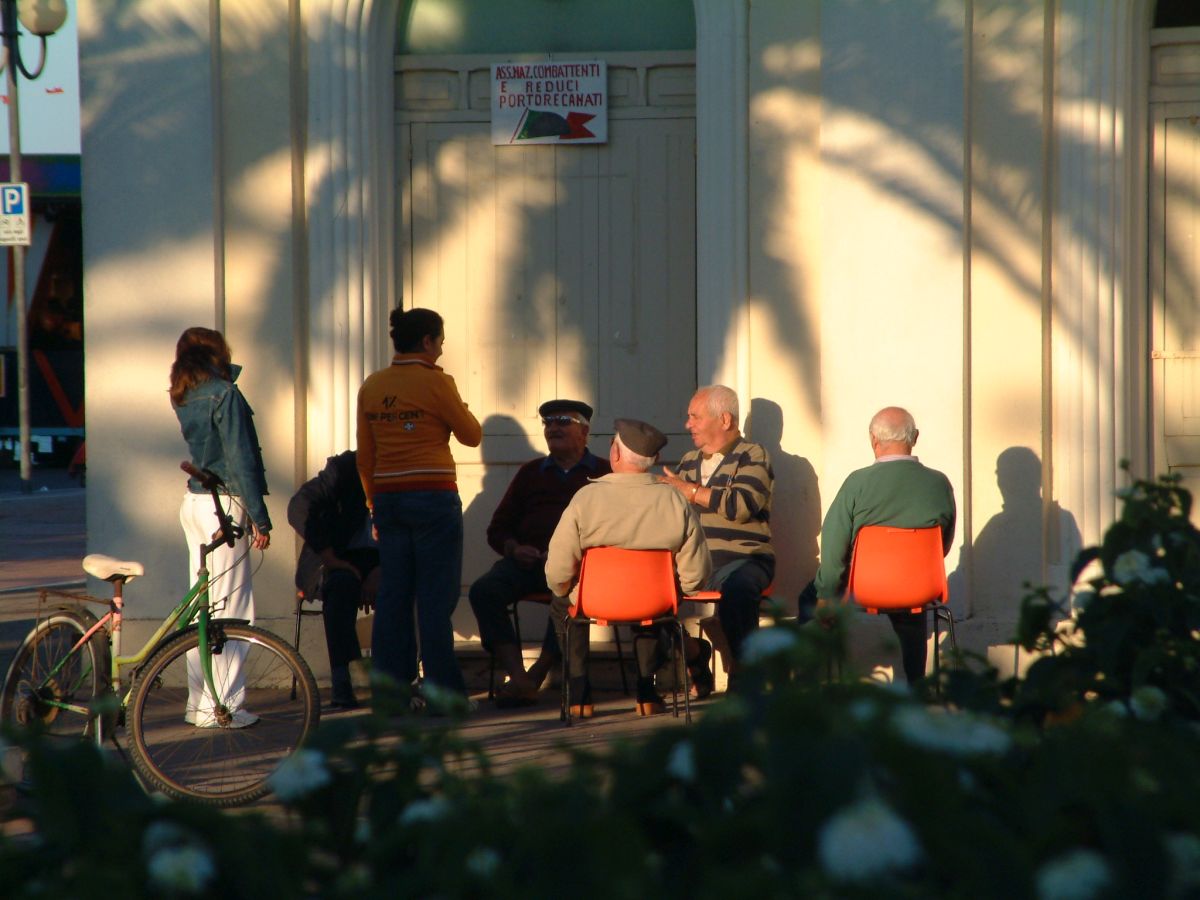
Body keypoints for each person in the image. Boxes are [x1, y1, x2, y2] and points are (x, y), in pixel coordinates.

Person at [546, 419, 713, 717]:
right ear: (655, 460)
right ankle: (646, 693)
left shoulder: (586, 498)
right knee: (659, 611)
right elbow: (696, 572)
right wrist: (683, 591)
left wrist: (564, 589)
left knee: (562, 604)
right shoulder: (675, 500)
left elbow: (558, 568)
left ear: (616, 454)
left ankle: (579, 695)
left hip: (595, 601)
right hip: (653, 602)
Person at [356, 307, 482, 698]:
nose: (441, 351)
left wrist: (373, 505)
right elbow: (472, 435)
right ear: (427, 341)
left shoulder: (372, 385)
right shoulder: (436, 384)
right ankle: (442, 692)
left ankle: (390, 693)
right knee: (434, 597)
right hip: (433, 498)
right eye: (440, 342)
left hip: (389, 501)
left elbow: (366, 456)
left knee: (393, 596)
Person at [468, 399, 612, 708]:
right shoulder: (531, 473)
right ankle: (518, 676)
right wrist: (514, 548)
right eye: (547, 422)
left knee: (569, 594)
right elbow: (497, 529)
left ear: (584, 431)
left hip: (580, 568)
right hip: (529, 564)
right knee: (484, 591)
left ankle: (537, 674)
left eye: (562, 420)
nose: (553, 427)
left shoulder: (604, 472)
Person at [169, 326, 271, 728]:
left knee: (203, 609)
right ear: (218, 352)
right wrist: (260, 518)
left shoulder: (185, 393)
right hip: (223, 505)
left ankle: (200, 703)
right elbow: (241, 459)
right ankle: (223, 705)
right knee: (232, 607)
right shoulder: (225, 394)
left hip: (194, 502)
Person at [813, 406, 956, 684]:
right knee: (911, 606)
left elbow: (833, 544)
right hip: (919, 587)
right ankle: (916, 683)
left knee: (812, 596)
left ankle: (828, 683)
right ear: (914, 437)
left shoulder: (857, 483)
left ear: (873, 440)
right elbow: (943, 543)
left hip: (867, 588)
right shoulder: (939, 483)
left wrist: (826, 592)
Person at [659, 385, 774, 681]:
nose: (687, 425)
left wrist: (691, 491)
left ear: (724, 420)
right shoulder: (688, 461)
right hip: (694, 563)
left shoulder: (753, 455)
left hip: (744, 558)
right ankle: (694, 654)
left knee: (738, 590)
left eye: (694, 417)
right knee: (644, 589)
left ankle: (746, 673)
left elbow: (741, 505)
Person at [288, 450, 378, 710]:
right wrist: (328, 555)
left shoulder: (405, 469)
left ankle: (393, 680)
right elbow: (299, 507)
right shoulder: (346, 468)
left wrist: (383, 568)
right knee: (339, 589)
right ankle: (343, 680)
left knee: (398, 589)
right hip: (341, 557)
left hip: (384, 560)